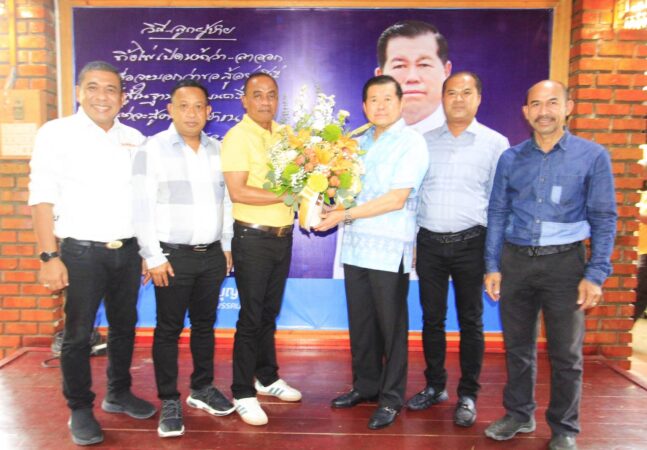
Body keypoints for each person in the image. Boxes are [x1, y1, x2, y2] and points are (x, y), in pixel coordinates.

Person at [483, 80, 617, 450]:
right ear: (525, 112)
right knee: (517, 347)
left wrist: (595, 274)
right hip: (515, 261)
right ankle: (519, 414)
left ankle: (564, 427)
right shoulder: (510, 159)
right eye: (536, 104)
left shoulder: (592, 156)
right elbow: (497, 213)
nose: (544, 111)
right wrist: (492, 265)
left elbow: (604, 218)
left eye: (553, 103)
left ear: (568, 107)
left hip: (566, 265)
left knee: (566, 353)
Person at [29, 61, 156, 446]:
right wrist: (49, 257)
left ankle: (118, 393)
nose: (103, 96)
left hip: (127, 251)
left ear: (123, 97)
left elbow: (143, 200)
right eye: (94, 87)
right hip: (80, 253)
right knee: (79, 334)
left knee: (124, 327)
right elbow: (41, 197)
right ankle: (80, 408)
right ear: (79, 92)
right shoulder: (56, 133)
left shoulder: (135, 138)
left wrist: (147, 251)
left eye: (111, 89)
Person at [315, 75, 428, 430]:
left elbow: (396, 199)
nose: (380, 106)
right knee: (362, 323)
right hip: (355, 246)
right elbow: (342, 191)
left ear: (401, 103)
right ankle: (366, 386)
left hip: (389, 248)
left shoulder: (412, 143)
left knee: (391, 328)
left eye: (387, 99)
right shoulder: (356, 144)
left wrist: (344, 214)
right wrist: (325, 198)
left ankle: (391, 398)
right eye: (373, 100)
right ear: (364, 106)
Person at [132, 80, 235, 438]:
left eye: (198, 106)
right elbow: (140, 207)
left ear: (209, 111)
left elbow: (228, 202)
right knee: (168, 330)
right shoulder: (151, 149)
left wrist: (227, 246)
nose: (192, 113)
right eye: (183, 106)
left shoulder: (219, 150)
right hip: (172, 258)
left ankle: (202, 388)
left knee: (205, 325)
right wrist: (153, 255)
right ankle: (169, 400)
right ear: (170, 110)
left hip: (212, 256)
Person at [408, 71, 509, 426]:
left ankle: (468, 394)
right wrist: (414, 241)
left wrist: (494, 259)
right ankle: (435, 386)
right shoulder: (422, 141)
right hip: (430, 243)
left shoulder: (496, 143)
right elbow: (415, 196)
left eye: (467, 92)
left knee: (471, 321)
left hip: (472, 243)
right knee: (432, 319)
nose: (459, 99)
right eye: (452, 92)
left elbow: (500, 204)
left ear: (479, 98)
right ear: (442, 98)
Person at [220, 72, 301, 427]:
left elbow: (301, 178)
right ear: (245, 100)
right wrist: (287, 195)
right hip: (252, 238)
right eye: (257, 95)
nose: (265, 101)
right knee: (251, 316)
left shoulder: (286, 136)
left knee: (269, 312)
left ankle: (266, 377)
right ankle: (242, 391)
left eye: (271, 95)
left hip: (283, 235)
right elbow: (238, 191)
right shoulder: (237, 137)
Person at [375, 20, 452, 134]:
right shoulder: (357, 143)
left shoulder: (478, 140)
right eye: (399, 66)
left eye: (424, 65)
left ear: (446, 71)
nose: (412, 78)